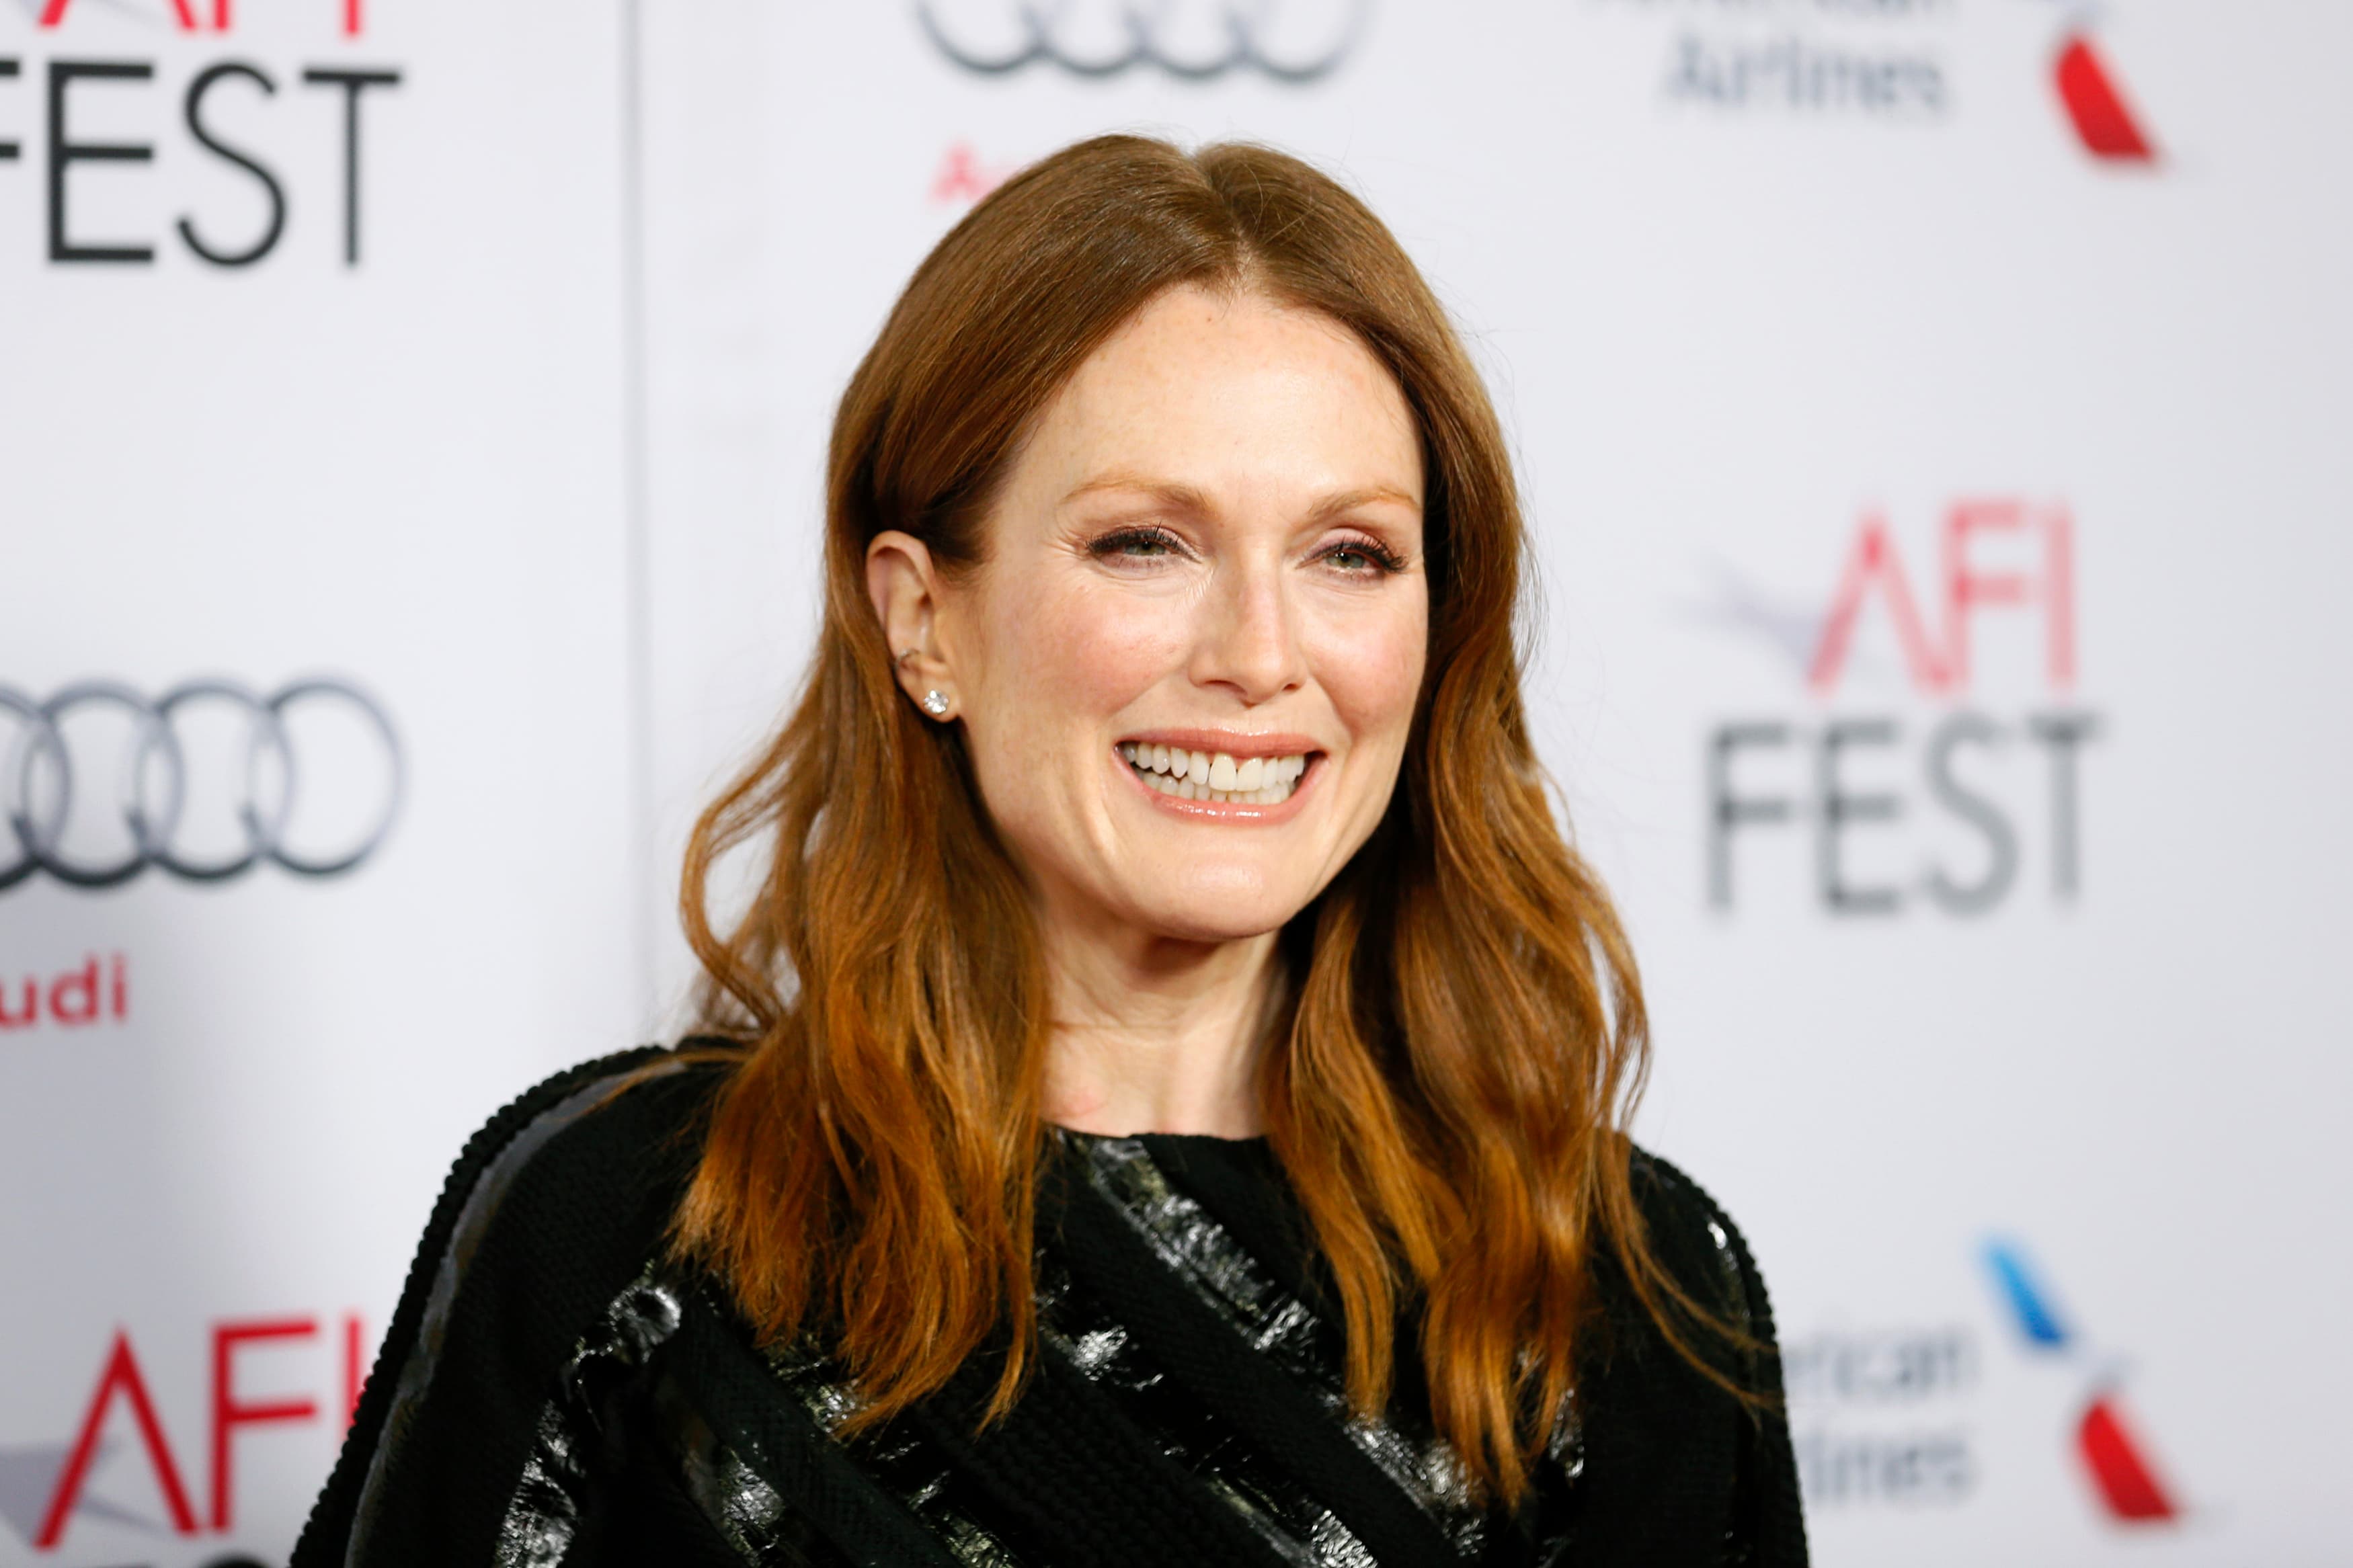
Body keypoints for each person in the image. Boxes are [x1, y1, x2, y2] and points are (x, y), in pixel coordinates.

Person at [293, 135, 1806, 1567]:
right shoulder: (633, 1233)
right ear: (922, 617)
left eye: (1350, 554)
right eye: (1144, 542)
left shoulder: (1635, 1294)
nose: (1262, 655)